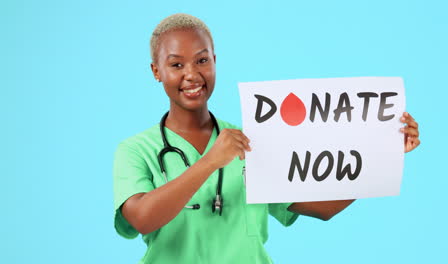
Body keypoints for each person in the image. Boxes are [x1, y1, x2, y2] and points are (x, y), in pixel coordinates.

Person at [113, 13, 421, 264]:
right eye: (176, 64)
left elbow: (322, 208)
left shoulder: (253, 141)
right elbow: (141, 218)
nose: (192, 74)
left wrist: (383, 154)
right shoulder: (136, 151)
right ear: (156, 71)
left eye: (202, 60)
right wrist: (210, 162)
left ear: (215, 61)